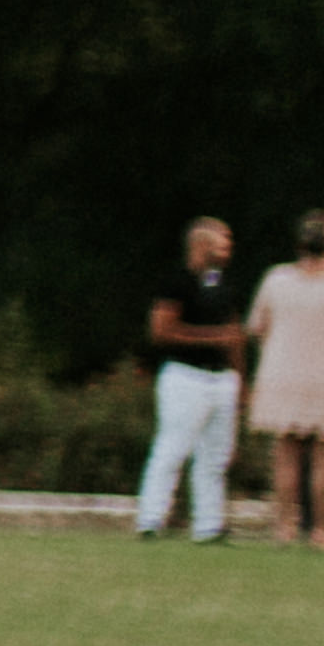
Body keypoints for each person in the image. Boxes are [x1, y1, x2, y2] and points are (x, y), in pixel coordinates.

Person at [244, 213, 324, 552]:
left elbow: (258, 326)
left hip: (283, 374)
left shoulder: (276, 279)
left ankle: (284, 529)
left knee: (286, 455)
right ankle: (321, 532)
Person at [136, 217, 243, 543]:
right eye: (221, 241)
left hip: (221, 379)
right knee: (173, 448)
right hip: (186, 376)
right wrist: (213, 339)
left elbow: (235, 334)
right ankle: (151, 519)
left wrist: (241, 379)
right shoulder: (176, 281)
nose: (228, 248)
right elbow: (161, 331)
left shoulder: (223, 283)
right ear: (200, 244)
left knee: (216, 456)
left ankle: (209, 525)